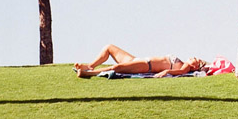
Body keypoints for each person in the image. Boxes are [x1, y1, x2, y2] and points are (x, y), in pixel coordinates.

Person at [74, 44, 206, 78]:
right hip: (138, 60)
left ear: (195, 67)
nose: (194, 57)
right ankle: (90, 66)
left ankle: (87, 73)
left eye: (197, 60)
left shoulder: (185, 67)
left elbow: (180, 72)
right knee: (109, 48)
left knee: (116, 68)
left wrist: (166, 71)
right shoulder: (183, 63)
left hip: (146, 65)